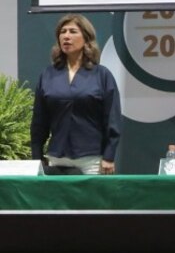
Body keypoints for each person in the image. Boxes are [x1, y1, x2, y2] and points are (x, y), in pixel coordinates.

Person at [30, 14, 122, 175]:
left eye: (73, 31)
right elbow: (39, 121)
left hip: (92, 160)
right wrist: (37, 156)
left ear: (86, 38)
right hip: (57, 158)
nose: (66, 36)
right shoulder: (48, 75)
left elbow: (112, 119)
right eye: (62, 32)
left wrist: (109, 156)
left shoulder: (102, 75)